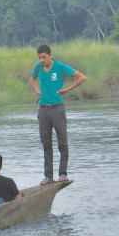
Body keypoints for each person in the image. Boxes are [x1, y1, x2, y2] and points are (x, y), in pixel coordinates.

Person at [30, 44, 87, 185]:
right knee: (46, 144)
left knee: (62, 142)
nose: (42, 60)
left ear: (50, 55)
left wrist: (67, 89)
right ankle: (48, 176)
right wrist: (37, 90)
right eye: (40, 58)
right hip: (43, 109)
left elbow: (82, 77)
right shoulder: (38, 67)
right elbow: (32, 79)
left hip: (57, 109)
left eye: (44, 57)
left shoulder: (61, 66)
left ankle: (62, 173)